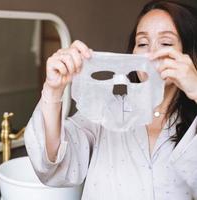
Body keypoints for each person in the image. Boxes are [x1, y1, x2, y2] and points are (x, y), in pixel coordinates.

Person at [24, 0, 197, 199]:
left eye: (166, 43)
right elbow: (54, 166)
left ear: (188, 55)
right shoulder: (104, 110)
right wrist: (53, 90)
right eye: (142, 43)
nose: (151, 54)